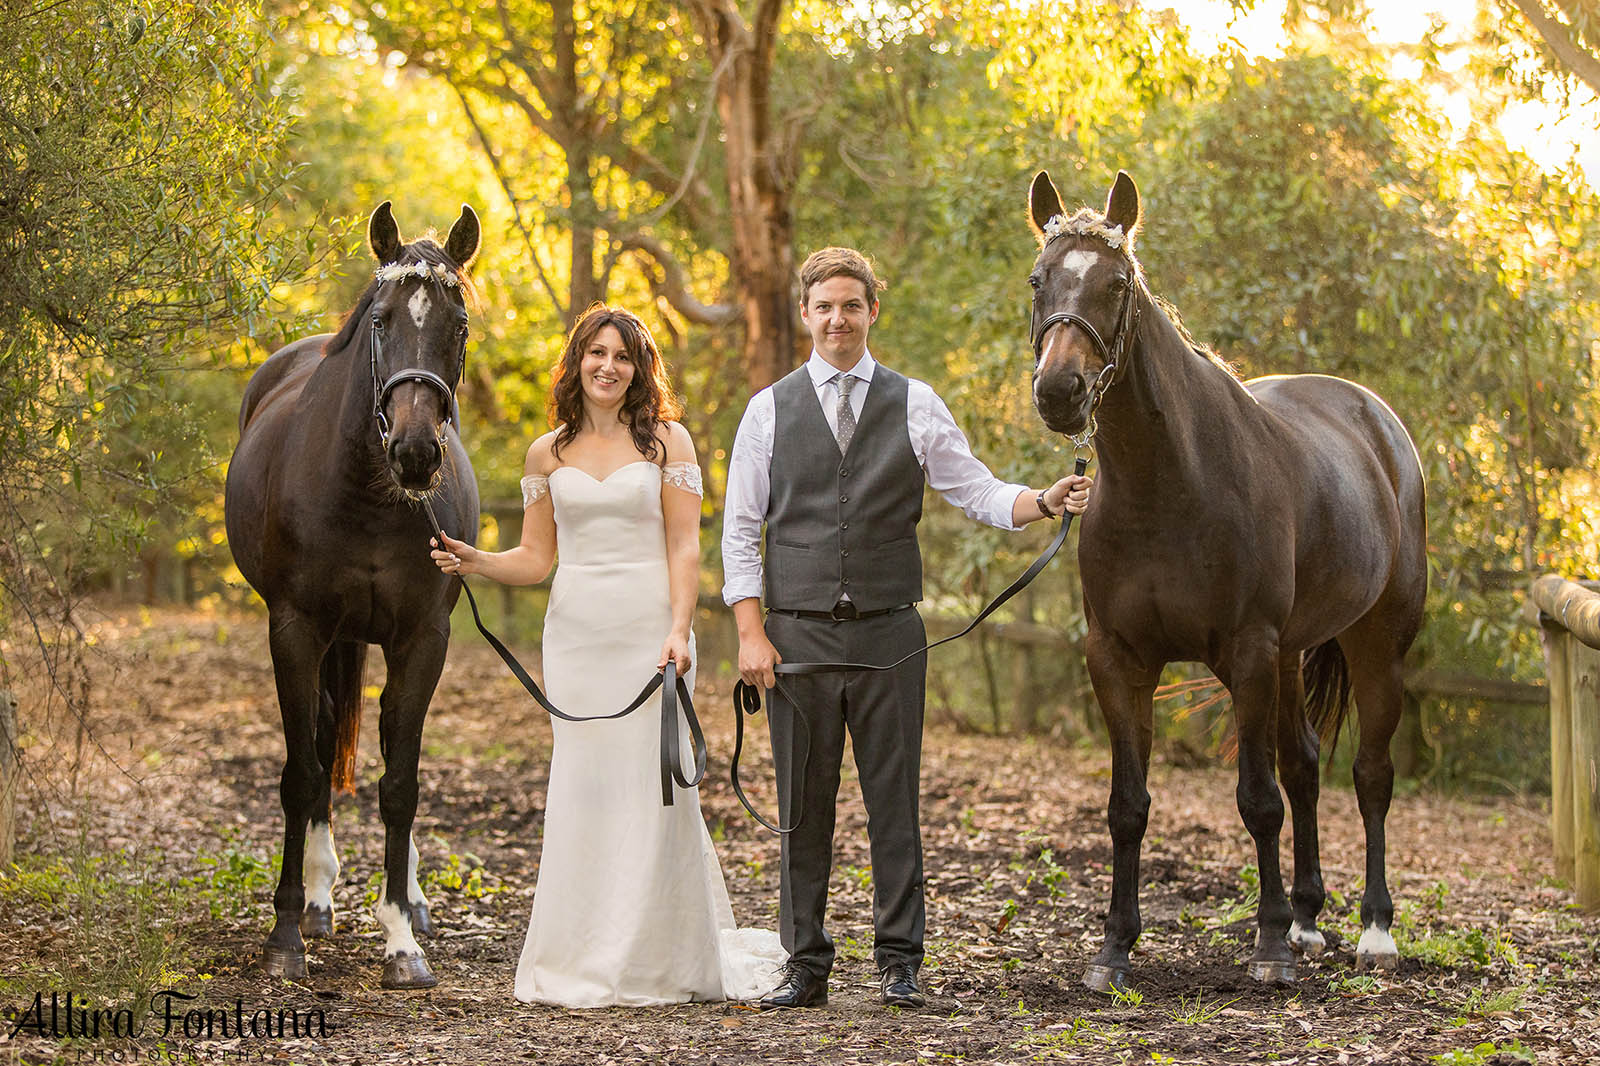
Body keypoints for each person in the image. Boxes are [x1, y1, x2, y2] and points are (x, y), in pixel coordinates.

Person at [721, 247, 1092, 1010]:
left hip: (892, 637)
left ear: (872, 312)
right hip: (797, 639)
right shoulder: (768, 409)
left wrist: (1044, 500)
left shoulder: (915, 402)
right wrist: (750, 633)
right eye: (824, 306)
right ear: (805, 314)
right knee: (801, 807)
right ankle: (807, 964)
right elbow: (739, 531)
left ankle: (900, 963)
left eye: (851, 305)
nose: (838, 319)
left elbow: (978, 490)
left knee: (894, 804)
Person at [432, 304, 783, 1007]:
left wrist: (680, 631)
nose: (607, 366)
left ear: (638, 368)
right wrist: (476, 561)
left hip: (647, 625)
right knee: (584, 788)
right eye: (595, 352)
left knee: (652, 788)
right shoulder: (546, 453)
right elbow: (536, 560)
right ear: (577, 362)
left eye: (622, 355)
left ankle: (655, 955)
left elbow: (684, 546)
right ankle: (580, 948)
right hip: (575, 634)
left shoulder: (668, 444)